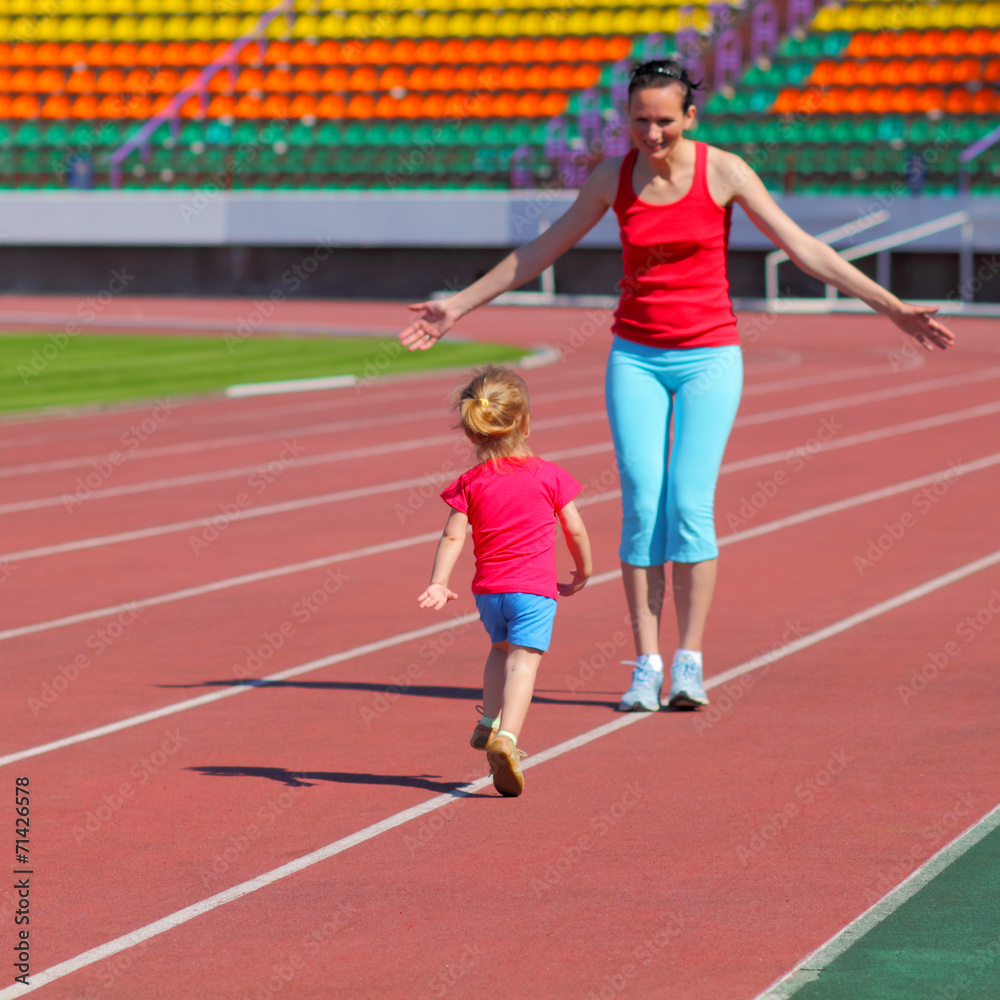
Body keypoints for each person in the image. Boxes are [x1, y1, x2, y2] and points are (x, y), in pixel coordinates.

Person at [401, 59, 955, 716]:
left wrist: (890, 305)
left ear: (690, 116)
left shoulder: (725, 171)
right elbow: (540, 250)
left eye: (665, 120)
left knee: (689, 505)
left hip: (710, 357)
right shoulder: (613, 178)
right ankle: (646, 664)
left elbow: (804, 248)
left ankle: (688, 660)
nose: (653, 133)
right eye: (641, 121)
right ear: (627, 120)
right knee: (642, 507)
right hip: (636, 357)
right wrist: (458, 304)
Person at [417, 365, 592, 796]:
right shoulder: (549, 475)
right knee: (523, 662)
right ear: (525, 423)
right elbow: (575, 529)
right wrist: (584, 570)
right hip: (533, 590)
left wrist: (439, 582)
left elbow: (453, 535)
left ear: (471, 432)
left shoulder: (470, 482)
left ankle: (488, 718)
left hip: (489, 592)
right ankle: (507, 739)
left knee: (499, 651)